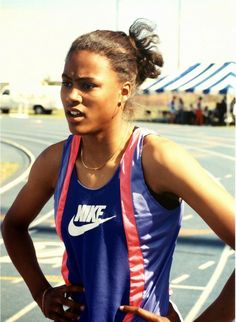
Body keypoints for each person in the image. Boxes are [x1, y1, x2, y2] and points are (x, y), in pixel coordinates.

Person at [1, 19, 235, 322]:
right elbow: (13, 226)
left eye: (88, 85)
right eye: (67, 82)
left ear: (124, 91)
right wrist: (41, 292)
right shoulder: (54, 161)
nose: (72, 96)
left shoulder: (157, 159)